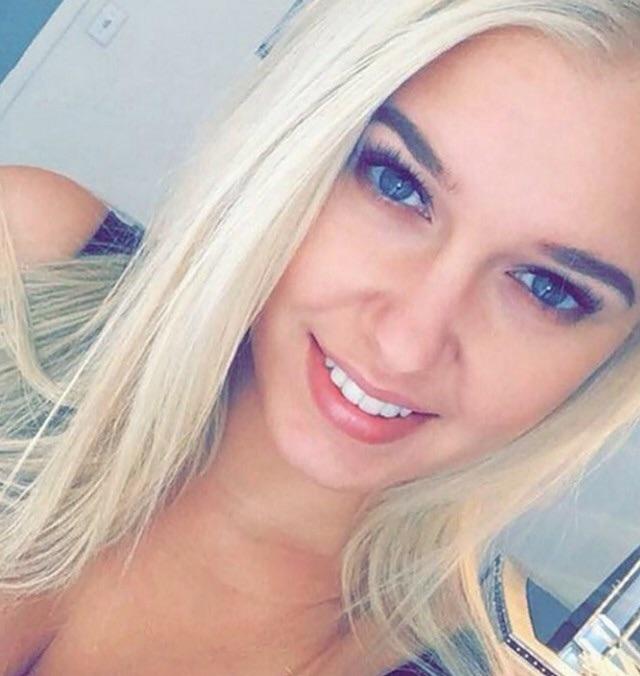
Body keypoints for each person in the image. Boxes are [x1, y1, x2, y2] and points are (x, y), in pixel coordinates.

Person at [1, 1, 640, 674]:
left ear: (611, 362)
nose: (406, 344)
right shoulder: (23, 265)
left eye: (548, 289)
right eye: (397, 184)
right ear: (302, 132)